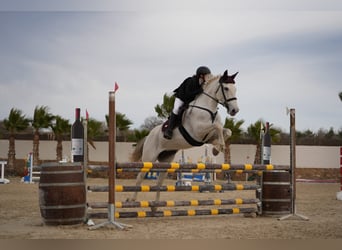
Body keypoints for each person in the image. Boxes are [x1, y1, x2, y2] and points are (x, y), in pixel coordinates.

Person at [163, 66, 211, 140]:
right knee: (176, 109)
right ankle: (169, 130)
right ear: (201, 75)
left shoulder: (202, 83)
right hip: (181, 97)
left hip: (189, 100)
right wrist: (199, 91)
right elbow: (188, 94)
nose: (208, 77)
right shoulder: (191, 80)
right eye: (207, 75)